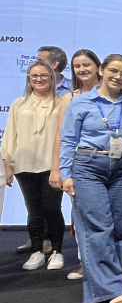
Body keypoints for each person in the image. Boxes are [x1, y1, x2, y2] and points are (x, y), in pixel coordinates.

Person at [59, 54, 122, 303]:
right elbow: (68, 140)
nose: (118, 76)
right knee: (98, 227)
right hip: (87, 166)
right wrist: (66, 174)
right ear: (102, 70)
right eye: (113, 70)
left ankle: (110, 278)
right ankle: (110, 289)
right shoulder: (80, 103)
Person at [2, 60, 65, 271]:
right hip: (24, 164)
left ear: (52, 78)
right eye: (34, 76)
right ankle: (37, 250)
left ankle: (56, 250)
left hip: (51, 164)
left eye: (43, 76)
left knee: (52, 208)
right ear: (29, 79)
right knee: (34, 210)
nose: (39, 79)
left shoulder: (61, 102)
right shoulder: (19, 104)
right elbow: (11, 134)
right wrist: (8, 163)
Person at [49, 49, 103, 279]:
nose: (82, 70)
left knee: (110, 217)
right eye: (77, 66)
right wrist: (57, 169)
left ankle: (116, 263)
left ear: (98, 67)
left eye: (86, 65)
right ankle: (86, 262)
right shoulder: (69, 97)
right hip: (80, 163)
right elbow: (61, 136)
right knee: (81, 215)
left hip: (112, 163)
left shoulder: (114, 93)